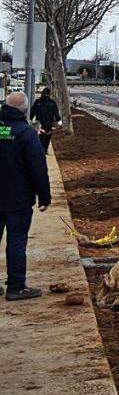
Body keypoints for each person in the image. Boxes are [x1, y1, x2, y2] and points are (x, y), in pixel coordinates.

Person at [0, 92, 51, 301]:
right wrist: (44, 197)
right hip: (17, 199)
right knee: (17, 242)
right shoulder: (26, 133)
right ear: (24, 110)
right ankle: (16, 286)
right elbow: (37, 169)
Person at [30, 87, 61, 153]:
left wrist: (29, 119)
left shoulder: (39, 102)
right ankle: (44, 150)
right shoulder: (52, 103)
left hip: (41, 124)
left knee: (44, 138)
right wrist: (58, 120)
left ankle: (43, 149)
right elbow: (56, 113)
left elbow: (32, 112)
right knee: (46, 138)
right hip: (48, 124)